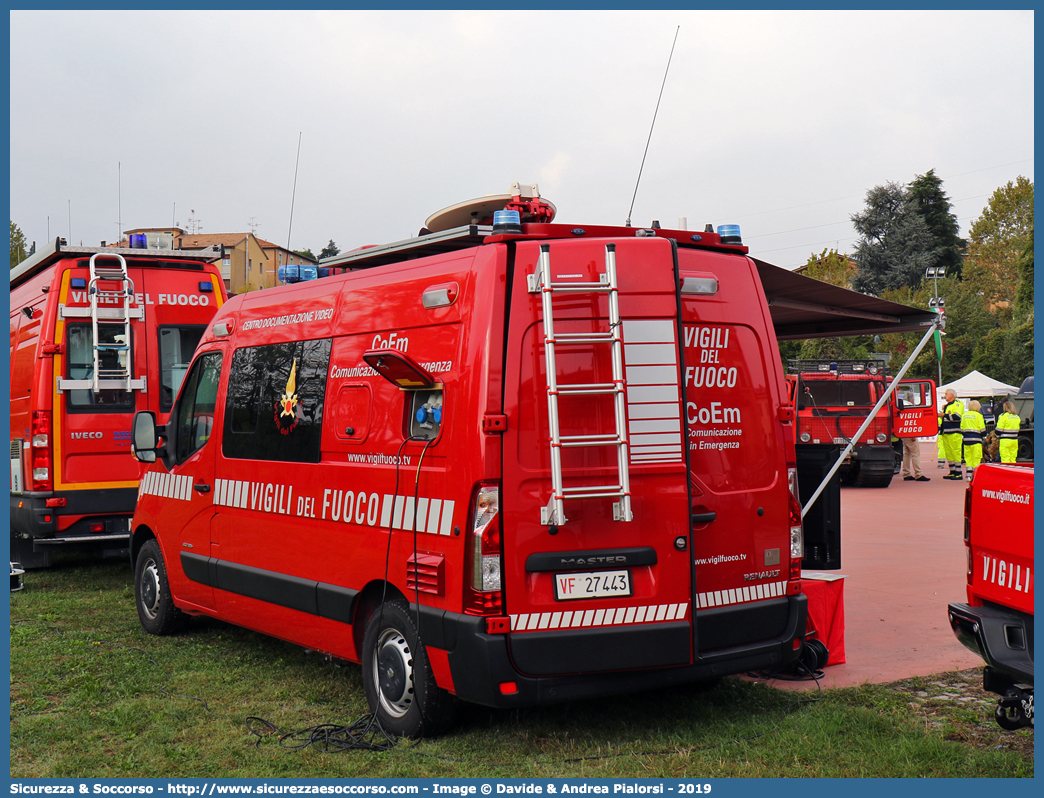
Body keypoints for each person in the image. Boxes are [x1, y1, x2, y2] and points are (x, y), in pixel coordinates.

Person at [940, 389, 965, 480]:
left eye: (946, 394)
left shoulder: (957, 404)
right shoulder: (947, 406)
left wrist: (944, 415)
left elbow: (957, 417)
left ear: (952, 395)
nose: (945, 395)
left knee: (955, 452)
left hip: (954, 432)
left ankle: (958, 472)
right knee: (949, 453)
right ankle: (952, 471)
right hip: (946, 432)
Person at [960, 400, 986, 481]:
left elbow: (961, 428)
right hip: (976, 440)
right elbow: (982, 429)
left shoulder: (964, 415)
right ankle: (975, 476)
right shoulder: (978, 416)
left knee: (968, 458)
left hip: (966, 440)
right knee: (976, 458)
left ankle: (968, 475)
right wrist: (984, 437)